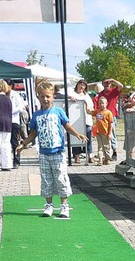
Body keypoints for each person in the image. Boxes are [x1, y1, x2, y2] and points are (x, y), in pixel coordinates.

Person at [15, 81, 87, 219]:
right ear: (38, 97)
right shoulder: (36, 115)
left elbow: (66, 125)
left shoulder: (58, 112)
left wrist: (77, 134)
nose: (45, 99)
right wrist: (23, 145)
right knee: (46, 180)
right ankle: (48, 205)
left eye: (48, 96)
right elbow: (33, 134)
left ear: (53, 96)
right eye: (42, 96)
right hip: (43, 154)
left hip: (58, 153)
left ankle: (64, 205)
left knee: (61, 179)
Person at [95, 77, 123, 159]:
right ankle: (105, 153)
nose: (107, 84)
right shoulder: (101, 94)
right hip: (102, 117)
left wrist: (113, 80)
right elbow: (98, 105)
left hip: (111, 116)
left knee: (112, 134)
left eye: (108, 83)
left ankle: (114, 152)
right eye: (105, 83)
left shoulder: (113, 91)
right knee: (103, 135)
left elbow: (121, 86)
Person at [69, 79, 94, 164]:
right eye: (81, 84)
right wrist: (70, 98)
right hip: (75, 120)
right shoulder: (72, 94)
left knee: (88, 138)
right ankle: (76, 155)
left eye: (84, 85)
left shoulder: (87, 95)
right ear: (77, 85)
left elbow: (91, 106)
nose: (82, 86)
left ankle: (90, 155)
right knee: (76, 138)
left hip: (86, 119)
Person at [5, 78, 26, 168]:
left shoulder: (16, 95)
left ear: (11, 86)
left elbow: (21, 107)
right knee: (5, 142)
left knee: (14, 142)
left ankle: (16, 161)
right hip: (4, 121)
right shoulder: (2, 95)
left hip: (14, 121)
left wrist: (10, 111)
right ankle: (6, 161)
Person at [90, 96, 114, 165]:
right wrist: (86, 104)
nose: (101, 105)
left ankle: (107, 158)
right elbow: (90, 112)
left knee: (106, 146)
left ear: (106, 104)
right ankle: (100, 159)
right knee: (99, 146)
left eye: (103, 103)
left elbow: (110, 124)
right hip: (98, 132)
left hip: (105, 132)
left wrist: (109, 133)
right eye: (100, 103)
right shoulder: (97, 111)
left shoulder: (108, 112)